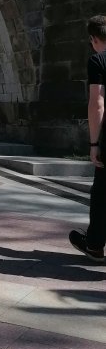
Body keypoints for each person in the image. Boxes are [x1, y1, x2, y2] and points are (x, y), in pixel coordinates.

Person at [69, 14, 106, 261]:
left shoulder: (98, 61)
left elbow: (98, 103)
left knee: (101, 193)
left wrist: (94, 143)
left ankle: (94, 244)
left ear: (93, 39)